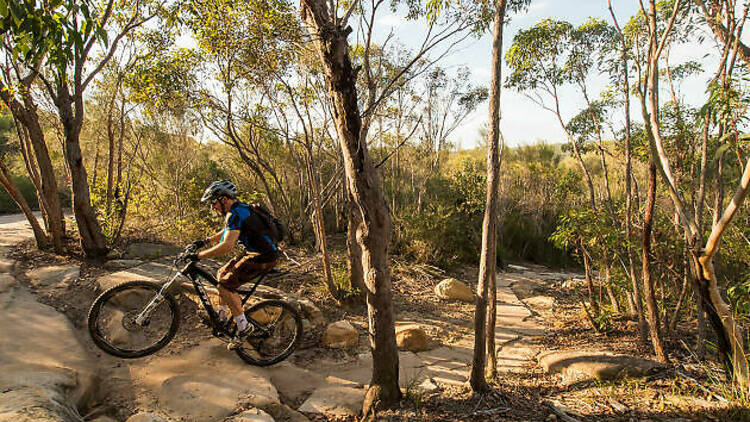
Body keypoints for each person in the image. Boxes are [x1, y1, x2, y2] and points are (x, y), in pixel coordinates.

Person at [183, 180, 280, 349]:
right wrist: (205, 241)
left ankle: (244, 327)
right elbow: (228, 230)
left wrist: (198, 256)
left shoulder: (235, 213)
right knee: (221, 273)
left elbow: (227, 246)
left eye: (213, 202)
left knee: (225, 286)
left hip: (263, 257)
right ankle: (221, 318)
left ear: (224, 199)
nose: (212, 207)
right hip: (256, 252)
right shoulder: (239, 209)